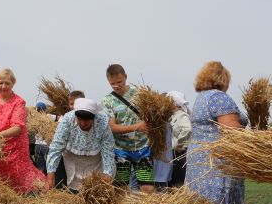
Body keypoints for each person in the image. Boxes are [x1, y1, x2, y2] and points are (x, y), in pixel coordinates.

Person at [185, 61, 249, 204]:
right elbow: (232, 130)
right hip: (216, 162)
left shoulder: (202, 97)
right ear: (223, 79)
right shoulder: (219, 97)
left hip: (199, 159)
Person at [0, 68, 47, 193]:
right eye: (0, 83)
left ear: (13, 84)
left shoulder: (18, 102)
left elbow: (17, 128)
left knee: (17, 175)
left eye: (7, 83)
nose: (3, 86)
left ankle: (35, 192)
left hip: (13, 147)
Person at [102, 64, 154, 193]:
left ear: (126, 77)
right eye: (112, 83)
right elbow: (112, 127)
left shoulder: (140, 95)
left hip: (143, 148)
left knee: (147, 188)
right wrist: (137, 126)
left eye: (119, 81)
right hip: (121, 150)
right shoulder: (107, 100)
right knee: (121, 189)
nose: (116, 86)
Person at [46, 98, 115, 191]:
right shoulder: (67, 119)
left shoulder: (102, 123)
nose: (82, 123)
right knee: (69, 192)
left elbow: (108, 151)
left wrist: (107, 176)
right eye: (79, 119)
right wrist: (50, 177)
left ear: (93, 118)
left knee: (93, 190)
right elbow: (56, 147)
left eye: (86, 121)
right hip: (71, 159)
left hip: (94, 163)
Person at [166, 90, 192, 188]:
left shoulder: (181, 115)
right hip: (174, 152)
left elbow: (187, 130)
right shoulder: (173, 116)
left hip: (180, 152)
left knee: (178, 179)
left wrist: (179, 145)